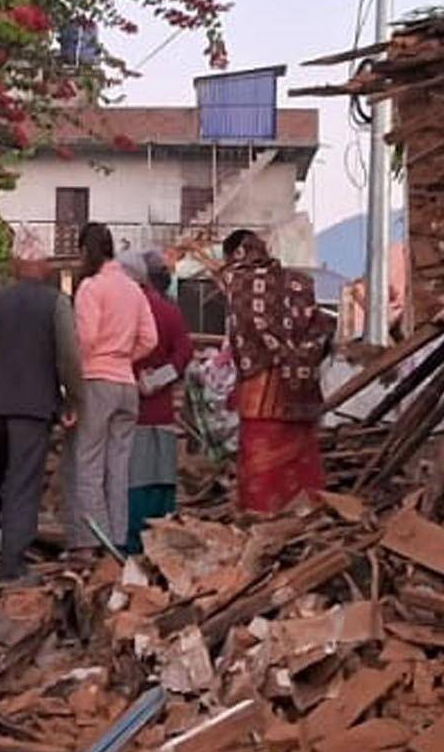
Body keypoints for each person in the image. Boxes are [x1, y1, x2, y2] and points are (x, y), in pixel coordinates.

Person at [0, 253, 85, 581]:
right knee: (22, 482)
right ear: (45, 269)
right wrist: (73, 399)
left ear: (17, 269)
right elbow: (69, 357)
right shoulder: (56, 303)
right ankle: (12, 564)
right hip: (33, 406)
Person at [220, 229, 331, 513]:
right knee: (300, 461)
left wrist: (275, 352)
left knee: (262, 466)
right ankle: (307, 515)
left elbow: (246, 335)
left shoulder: (237, 281)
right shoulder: (299, 282)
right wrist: (298, 358)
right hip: (300, 390)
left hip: (261, 389)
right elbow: (320, 326)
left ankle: (262, 520)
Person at [69, 224, 157, 556]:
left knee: (88, 462)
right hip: (127, 384)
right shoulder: (134, 290)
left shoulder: (91, 288)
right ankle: (117, 540)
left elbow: (86, 339)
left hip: (97, 381)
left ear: (85, 251)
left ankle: (90, 540)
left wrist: (81, 372)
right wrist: (123, 357)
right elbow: (150, 339)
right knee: (118, 467)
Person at [125, 249, 193, 550]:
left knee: (132, 479)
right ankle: (161, 541)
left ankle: (132, 543)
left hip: (129, 408)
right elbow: (184, 354)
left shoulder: (126, 309)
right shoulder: (170, 312)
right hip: (161, 408)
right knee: (161, 477)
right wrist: (158, 380)